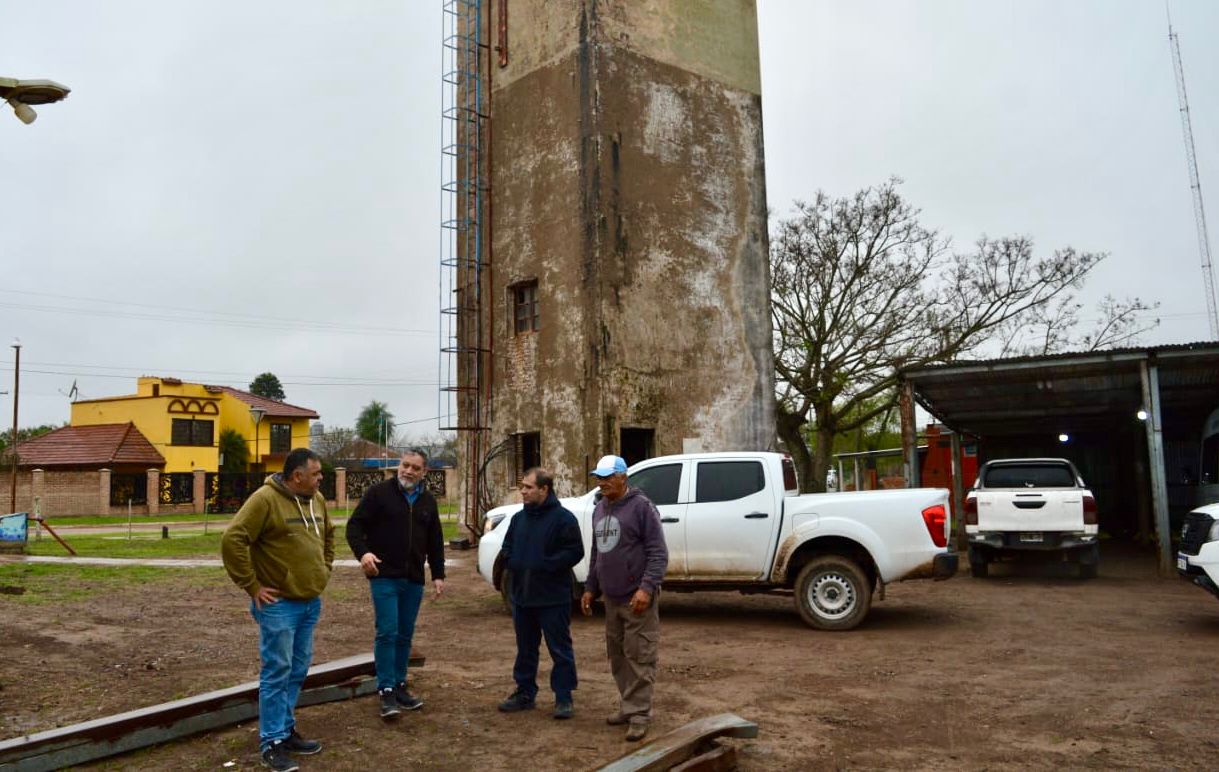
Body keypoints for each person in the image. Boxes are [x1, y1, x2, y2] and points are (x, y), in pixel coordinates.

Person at [221, 448, 334, 772]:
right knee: (277, 671)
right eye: (316, 474)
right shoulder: (264, 500)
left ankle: (285, 730)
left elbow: (328, 534)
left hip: (310, 601)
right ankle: (271, 741)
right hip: (279, 605)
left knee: (297, 670)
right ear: (297, 476)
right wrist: (252, 586)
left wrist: (324, 569)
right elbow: (233, 539)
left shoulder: (318, 500)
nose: (320, 478)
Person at [345, 449, 446, 720]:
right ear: (397, 466)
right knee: (387, 632)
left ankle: (400, 684)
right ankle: (386, 689)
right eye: (405, 465)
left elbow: (435, 541)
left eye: (415, 468)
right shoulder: (378, 494)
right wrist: (363, 554)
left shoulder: (427, 501)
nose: (408, 471)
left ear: (424, 472)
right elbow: (354, 527)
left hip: (413, 578)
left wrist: (438, 574)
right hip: (384, 575)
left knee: (404, 634)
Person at [580, 454, 668, 742]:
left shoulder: (642, 508)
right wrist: (590, 588)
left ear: (623, 477)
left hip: (636, 598)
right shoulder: (599, 509)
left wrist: (646, 587)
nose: (601, 483)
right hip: (612, 598)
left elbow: (658, 552)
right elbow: (598, 553)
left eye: (607, 477)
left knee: (639, 655)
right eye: (599, 478)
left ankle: (640, 714)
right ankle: (629, 707)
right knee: (617, 655)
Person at [497, 467, 585, 719]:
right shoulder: (518, 519)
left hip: (553, 598)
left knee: (559, 648)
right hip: (523, 596)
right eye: (522, 486)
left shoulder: (564, 519)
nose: (523, 491)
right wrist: (513, 561)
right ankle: (525, 693)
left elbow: (574, 551)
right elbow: (507, 546)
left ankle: (563, 697)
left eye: (528, 487)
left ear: (544, 489)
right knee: (525, 649)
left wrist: (547, 564)